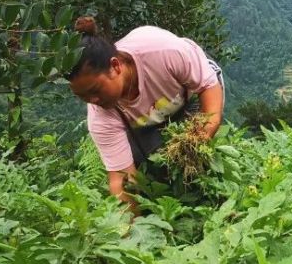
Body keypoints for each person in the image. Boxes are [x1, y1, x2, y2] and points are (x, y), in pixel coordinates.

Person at [66, 17, 225, 213]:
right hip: (152, 117)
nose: (93, 100)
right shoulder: (100, 116)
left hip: (192, 94)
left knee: (194, 153)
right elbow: (121, 179)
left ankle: (209, 201)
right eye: (82, 96)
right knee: (151, 165)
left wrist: (199, 138)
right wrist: (130, 229)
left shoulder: (163, 52)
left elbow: (207, 87)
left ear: (115, 66)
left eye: (95, 90)